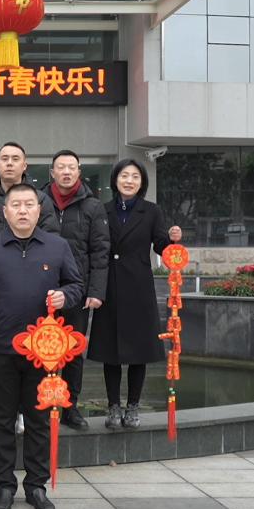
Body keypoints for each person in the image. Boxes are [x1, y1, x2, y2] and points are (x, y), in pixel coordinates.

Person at [0, 183, 83, 509]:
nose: (22, 210)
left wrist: (66, 296)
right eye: (16, 205)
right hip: (1, 348)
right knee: (2, 419)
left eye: (29, 205)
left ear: (39, 210)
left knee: (39, 420)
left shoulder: (58, 246)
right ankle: (4, 485)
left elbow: (76, 285)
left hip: (45, 352)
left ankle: (36, 485)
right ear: (5, 211)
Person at [88, 159, 182, 430]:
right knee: (111, 352)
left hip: (139, 287)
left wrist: (173, 239)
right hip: (110, 285)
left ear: (142, 183)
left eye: (135, 177)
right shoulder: (102, 210)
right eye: (124, 176)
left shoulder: (151, 211)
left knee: (139, 351)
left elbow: (161, 245)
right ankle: (113, 406)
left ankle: (133, 406)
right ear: (115, 179)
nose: (129, 181)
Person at [0, 142, 59, 435]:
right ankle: (0, 413)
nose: (9, 163)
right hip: (0, 313)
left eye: (15, 159)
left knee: (37, 412)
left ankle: (26, 415)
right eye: (4, 158)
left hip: (39, 320)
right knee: (1, 395)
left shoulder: (42, 202)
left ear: (25, 165)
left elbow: (54, 245)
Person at [41, 150, 110, 431]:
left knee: (72, 351)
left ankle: (70, 407)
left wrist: (96, 291)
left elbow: (101, 251)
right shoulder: (39, 201)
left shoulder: (92, 206)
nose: (66, 172)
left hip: (77, 290)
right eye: (61, 167)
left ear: (79, 171)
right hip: (42, 288)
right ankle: (41, 405)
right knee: (41, 350)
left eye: (72, 167)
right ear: (52, 172)